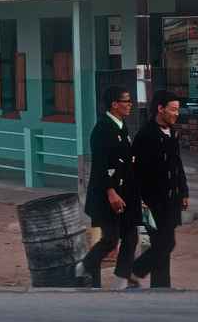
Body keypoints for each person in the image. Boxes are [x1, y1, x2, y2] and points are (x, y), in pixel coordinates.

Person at [75, 86, 139, 290]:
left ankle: (121, 280)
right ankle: (83, 267)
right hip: (106, 195)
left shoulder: (121, 126)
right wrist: (111, 192)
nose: (130, 105)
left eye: (130, 101)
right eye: (126, 101)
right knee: (111, 239)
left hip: (125, 193)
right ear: (114, 104)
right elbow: (101, 165)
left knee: (131, 236)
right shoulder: (102, 129)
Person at [131, 90, 189, 289]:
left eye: (177, 110)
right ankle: (136, 270)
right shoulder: (145, 136)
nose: (176, 114)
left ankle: (161, 288)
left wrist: (183, 191)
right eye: (172, 110)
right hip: (151, 202)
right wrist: (140, 201)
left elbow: (177, 165)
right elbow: (136, 172)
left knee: (162, 246)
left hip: (170, 201)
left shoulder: (172, 133)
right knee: (165, 244)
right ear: (160, 109)